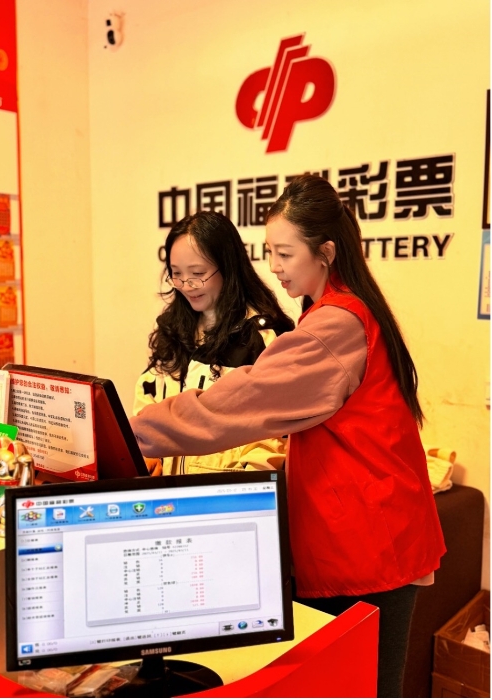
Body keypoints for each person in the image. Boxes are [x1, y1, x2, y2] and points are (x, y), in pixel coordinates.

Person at [130, 175, 446, 697]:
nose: (274, 266)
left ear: (325, 252)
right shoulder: (337, 311)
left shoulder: (330, 326)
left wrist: (132, 433)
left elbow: (239, 403)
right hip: (358, 533)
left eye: (284, 253)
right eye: (269, 252)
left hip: (366, 544)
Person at [133, 210, 294, 475]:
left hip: (225, 492)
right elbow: (148, 401)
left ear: (228, 267)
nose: (187, 285)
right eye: (176, 274)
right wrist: (145, 452)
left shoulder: (260, 337)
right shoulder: (173, 328)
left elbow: (272, 439)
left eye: (197, 273)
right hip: (168, 492)